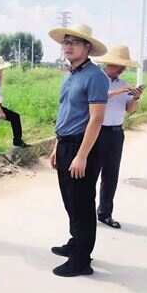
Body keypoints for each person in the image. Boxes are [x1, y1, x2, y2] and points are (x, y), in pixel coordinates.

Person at [48, 24, 109, 277]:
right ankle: (76, 243)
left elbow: (96, 119)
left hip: (82, 146)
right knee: (70, 200)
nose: (68, 46)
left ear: (87, 47)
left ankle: (82, 260)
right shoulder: (71, 75)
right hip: (65, 144)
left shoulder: (95, 76)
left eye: (74, 42)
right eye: (66, 42)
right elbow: (66, 112)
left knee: (82, 203)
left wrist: (81, 155)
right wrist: (57, 145)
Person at [93, 45, 143, 229]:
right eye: (118, 65)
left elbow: (130, 110)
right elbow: (97, 98)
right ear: (109, 63)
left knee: (111, 175)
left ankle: (105, 213)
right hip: (97, 132)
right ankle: (85, 214)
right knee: (91, 174)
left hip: (116, 133)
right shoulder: (97, 80)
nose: (121, 69)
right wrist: (119, 92)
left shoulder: (124, 84)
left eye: (123, 66)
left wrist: (135, 98)